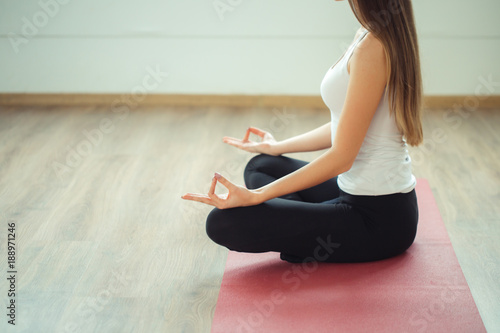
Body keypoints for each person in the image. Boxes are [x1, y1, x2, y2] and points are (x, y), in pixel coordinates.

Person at [182, 0, 423, 263]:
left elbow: (342, 157)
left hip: (378, 219)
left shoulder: (373, 48)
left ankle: (306, 228)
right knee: (262, 165)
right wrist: (279, 146)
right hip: (351, 193)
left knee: (221, 223)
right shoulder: (367, 34)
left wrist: (258, 196)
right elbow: (344, 126)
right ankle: (307, 226)